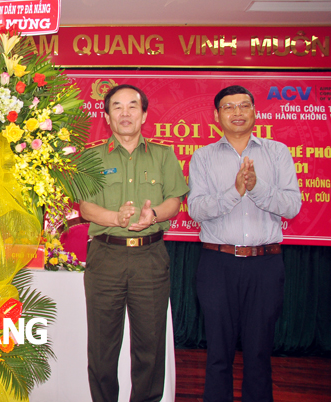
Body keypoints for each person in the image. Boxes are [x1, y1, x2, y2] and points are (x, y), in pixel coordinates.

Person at [188, 85, 301, 402]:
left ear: (255, 111)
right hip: (217, 264)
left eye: (243, 105)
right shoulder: (203, 157)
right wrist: (236, 191)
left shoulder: (277, 152)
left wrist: (257, 187)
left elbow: (292, 206)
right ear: (216, 115)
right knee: (218, 355)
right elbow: (197, 209)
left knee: (259, 353)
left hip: (265, 265)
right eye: (228, 107)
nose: (237, 112)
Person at [80, 84, 188, 402]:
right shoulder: (91, 158)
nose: (125, 113)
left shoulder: (164, 155)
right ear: (107, 116)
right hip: (105, 258)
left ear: (144, 114)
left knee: (150, 348)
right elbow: (86, 208)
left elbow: (174, 202)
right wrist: (117, 218)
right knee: (102, 347)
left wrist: (152, 214)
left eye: (132, 106)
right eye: (117, 107)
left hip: (150, 258)